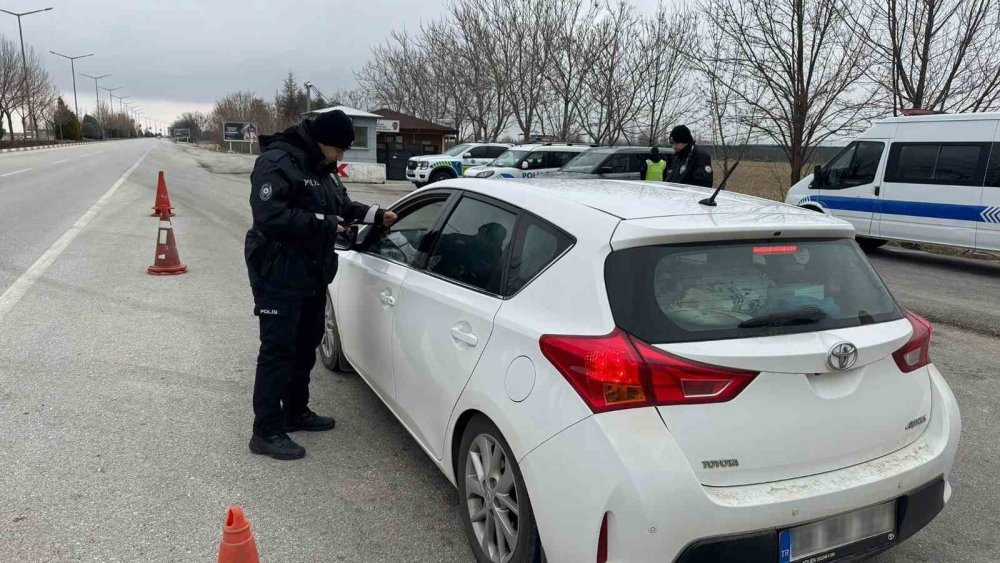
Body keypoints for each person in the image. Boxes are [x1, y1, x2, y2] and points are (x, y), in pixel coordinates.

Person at [244, 109, 397, 460]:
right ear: (321, 142)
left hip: (312, 271)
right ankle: (265, 431)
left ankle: (296, 411)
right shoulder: (277, 162)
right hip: (278, 270)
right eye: (339, 150)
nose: (341, 156)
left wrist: (375, 214)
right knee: (278, 350)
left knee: (305, 344)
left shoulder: (322, 167)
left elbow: (340, 204)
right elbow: (271, 216)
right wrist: (327, 224)